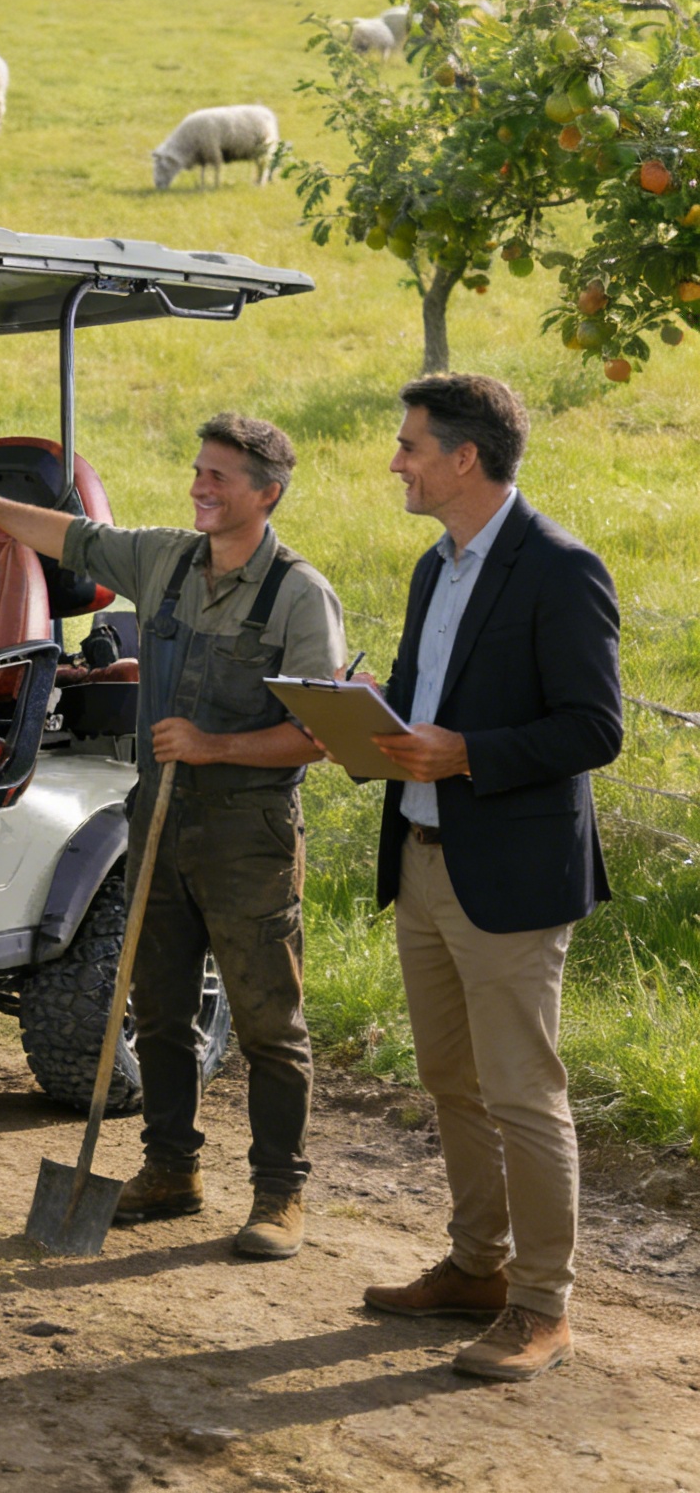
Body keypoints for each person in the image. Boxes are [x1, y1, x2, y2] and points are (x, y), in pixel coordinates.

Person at [0, 413, 344, 1260]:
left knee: (268, 1021)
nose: (200, 485)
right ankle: (171, 1172)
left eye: (219, 476)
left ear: (267, 494)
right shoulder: (164, 559)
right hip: (157, 814)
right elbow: (72, 536)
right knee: (157, 1010)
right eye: (198, 469)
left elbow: (322, 733)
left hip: (248, 831)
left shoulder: (300, 595)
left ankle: (278, 1195)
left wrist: (214, 745)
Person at [355, 374, 620, 1382]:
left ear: (462, 458)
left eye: (409, 446)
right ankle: (474, 1267)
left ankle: (542, 1307)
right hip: (421, 861)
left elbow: (594, 727)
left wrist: (465, 752)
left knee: (520, 1093)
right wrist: (357, 714)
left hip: (507, 876)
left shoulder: (559, 568)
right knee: (449, 1082)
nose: (395, 462)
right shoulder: (436, 567)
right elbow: (425, 695)